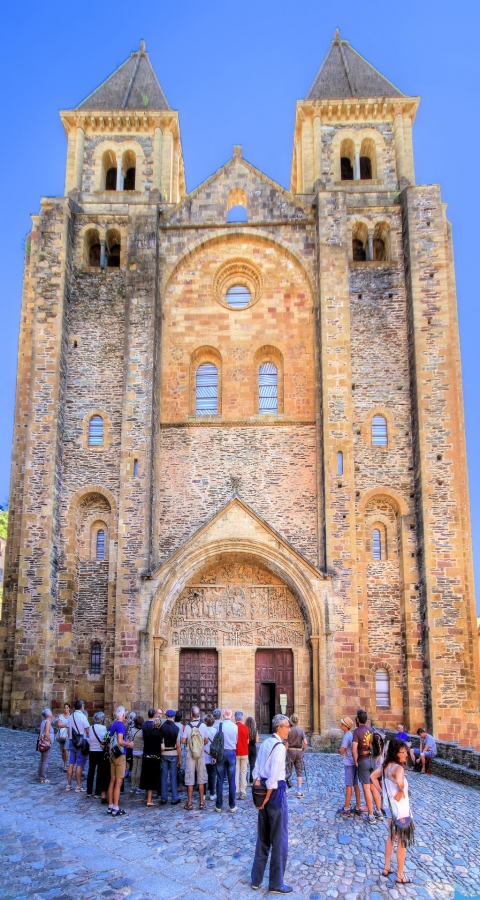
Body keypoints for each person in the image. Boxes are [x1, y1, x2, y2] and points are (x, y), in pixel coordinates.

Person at [251, 714, 292, 894]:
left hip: (263, 793)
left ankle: (256, 879)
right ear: (279, 728)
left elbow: (256, 772)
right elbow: (274, 777)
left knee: (263, 838)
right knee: (279, 839)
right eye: (287, 727)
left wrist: (260, 798)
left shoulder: (266, 743)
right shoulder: (280, 748)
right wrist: (267, 797)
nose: (289, 730)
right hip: (274, 794)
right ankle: (276, 883)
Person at [371, 739, 414, 885]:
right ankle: (400, 875)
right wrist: (401, 788)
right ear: (396, 753)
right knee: (402, 842)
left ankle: (386, 867)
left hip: (390, 808)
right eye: (404, 752)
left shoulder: (385, 766)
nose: (406, 755)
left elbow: (373, 777)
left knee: (391, 837)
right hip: (401, 810)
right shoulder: (398, 768)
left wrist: (382, 792)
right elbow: (401, 782)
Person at [352, 709, 383, 825]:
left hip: (363, 760)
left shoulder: (357, 732)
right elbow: (378, 747)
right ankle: (378, 812)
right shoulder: (371, 730)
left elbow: (354, 749)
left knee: (366, 789)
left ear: (357, 719)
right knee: (373, 787)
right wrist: (376, 759)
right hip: (372, 760)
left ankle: (370, 815)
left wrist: (356, 761)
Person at [107, 705, 134, 816]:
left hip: (113, 754)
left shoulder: (114, 724)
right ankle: (116, 807)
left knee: (112, 780)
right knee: (118, 782)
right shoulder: (121, 726)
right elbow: (120, 741)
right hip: (120, 755)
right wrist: (129, 744)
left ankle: (110, 805)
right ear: (122, 715)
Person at [182, 705, 208, 811]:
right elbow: (206, 740)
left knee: (190, 779)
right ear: (199, 715)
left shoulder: (188, 727)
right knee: (201, 779)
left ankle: (189, 803)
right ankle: (201, 802)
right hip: (200, 754)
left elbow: (183, 741)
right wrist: (200, 745)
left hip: (190, 754)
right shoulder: (203, 726)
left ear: (191, 715)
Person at [337, 716, 362, 817]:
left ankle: (346, 809)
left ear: (345, 726)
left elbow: (342, 750)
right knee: (355, 784)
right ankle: (358, 807)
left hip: (349, 763)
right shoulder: (351, 735)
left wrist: (340, 751)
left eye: (342, 724)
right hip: (354, 762)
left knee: (348, 785)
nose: (341, 725)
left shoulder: (347, 736)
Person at [215, 708, 238, 813]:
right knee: (231, 780)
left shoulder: (219, 726)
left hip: (221, 753)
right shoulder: (235, 727)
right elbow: (236, 740)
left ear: (224, 715)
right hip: (231, 752)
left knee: (219, 779)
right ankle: (232, 805)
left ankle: (219, 805)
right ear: (231, 716)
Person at [66, 699, 90, 792]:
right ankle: (78, 786)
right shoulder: (83, 716)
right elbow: (87, 730)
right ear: (81, 706)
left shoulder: (70, 716)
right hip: (81, 741)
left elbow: (68, 730)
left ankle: (68, 785)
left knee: (71, 763)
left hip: (72, 741)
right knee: (79, 764)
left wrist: (71, 738)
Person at [159, 709, 181, 805]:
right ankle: (175, 797)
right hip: (173, 753)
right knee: (173, 776)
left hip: (164, 753)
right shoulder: (176, 729)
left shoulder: (162, 727)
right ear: (174, 717)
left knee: (163, 776)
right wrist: (180, 758)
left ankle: (164, 797)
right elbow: (178, 745)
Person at [141, 715, 163, 806]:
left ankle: (148, 797)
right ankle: (149, 800)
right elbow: (162, 747)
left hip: (146, 757)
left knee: (147, 778)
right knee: (152, 779)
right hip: (155, 758)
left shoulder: (147, 733)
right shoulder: (160, 734)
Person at [87, 711, 108, 800]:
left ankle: (89, 791)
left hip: (92, 750)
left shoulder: (90, 728)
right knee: (100, 771)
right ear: (102, 720)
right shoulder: (104, 728)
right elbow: (105, 739)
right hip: (100, 751)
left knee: (91, 771)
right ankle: (97, 792)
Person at [285, 713, 307, 798]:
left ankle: (286, 789)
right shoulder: (300, 730)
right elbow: (305, 742)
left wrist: (286, 752)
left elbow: (286, 744)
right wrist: (303, 750)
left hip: (291, 751)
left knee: (288, 771)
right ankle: (299, 790)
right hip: (298, 752)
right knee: (299, 771)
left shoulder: (289, 730)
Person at [235, 711, 249, 800]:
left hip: (236, 752)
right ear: (242, 718)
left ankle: (236, 791)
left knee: (236, 773)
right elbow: (247, 741)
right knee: (243, 772)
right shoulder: (246, 728)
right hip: (244, 752)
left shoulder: (234, 727)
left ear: (235, 718)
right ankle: (243, 791)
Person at [203, 713, 217, 801]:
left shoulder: (203, 730)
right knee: (212, 775)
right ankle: (212, 793)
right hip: (212, 755)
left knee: (203, 775)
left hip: (204, 754)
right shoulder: (215, 731)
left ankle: (203, 793)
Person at [37, 708, 54, 783]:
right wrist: (51, 741)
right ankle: (43, 778)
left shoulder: (43, 722)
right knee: (45, 761)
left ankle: (40, 776)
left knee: (42, 760)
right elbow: (46, 734)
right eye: (50, 712)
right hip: (46, 743)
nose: (51, 713)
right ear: (48, 714)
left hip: (42, 743)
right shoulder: (48, 722)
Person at [130, 715, 144, 794]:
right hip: (140, 751)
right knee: (139, 769)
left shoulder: (132, 730)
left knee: (134, 769)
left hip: (134, 751)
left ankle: (132, 786)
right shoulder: (142, 731)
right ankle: (138, 786)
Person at [56, 703, 70, 771]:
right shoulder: (61, 716)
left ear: (69, 708)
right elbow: (59, 724)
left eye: (67, 708)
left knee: (65, 749)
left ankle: (65, 765)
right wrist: (66, 725)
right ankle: (64, 763)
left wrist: (63, 724)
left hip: (68, 735)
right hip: (62, 735)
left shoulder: (71, 716)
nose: (66, 709)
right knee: (62, 751)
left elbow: (71, 725)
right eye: (65, 708)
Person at [246, 715, 259, 785]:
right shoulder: (255, 730)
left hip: (246, 748)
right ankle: (251, 781)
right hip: (253, 748)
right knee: (252, 765)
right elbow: (257, 741)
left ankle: (245, 780)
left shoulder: (245, 729)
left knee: (245, 765)